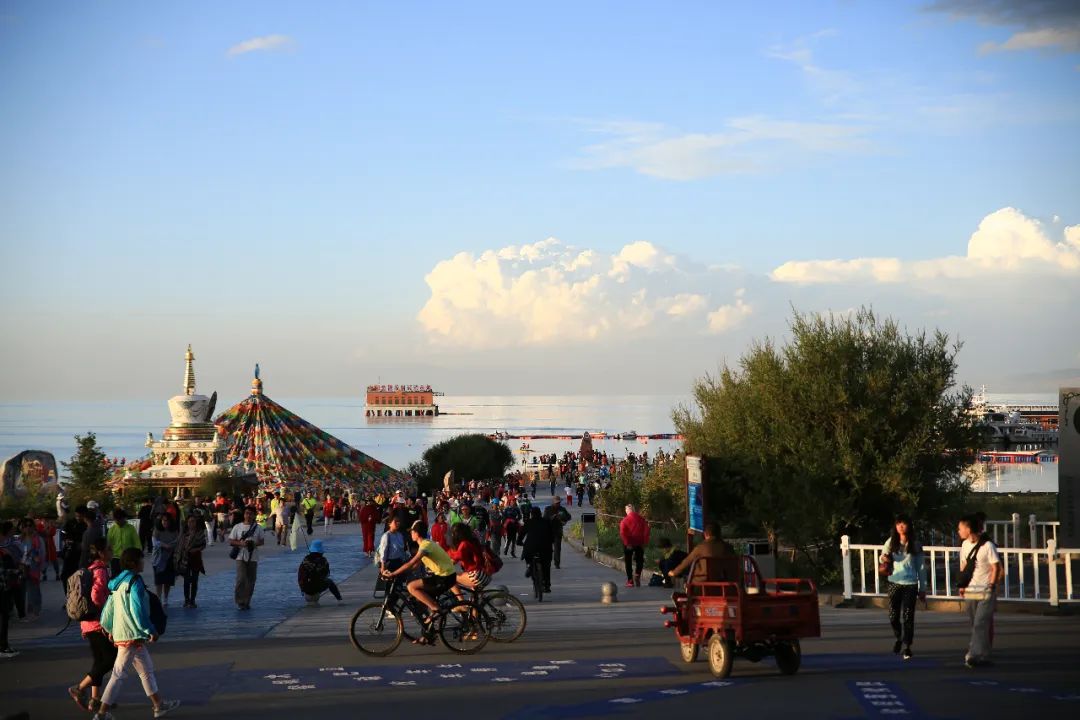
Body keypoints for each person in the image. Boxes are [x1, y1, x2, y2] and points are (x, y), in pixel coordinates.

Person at [96, 547, 180, 720]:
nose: (144, 562)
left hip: (123, 634)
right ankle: (102, 713)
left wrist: (110, 629)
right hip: (132, 635)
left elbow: (106, 613)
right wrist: (150, 630)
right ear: (134, 563)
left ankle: (158, 705)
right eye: (142, 560)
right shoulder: (135, 582)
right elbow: (138, 611)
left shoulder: (117, 583)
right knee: (118, 674)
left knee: (146, 670)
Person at [382, 521, 457, 644]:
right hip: (444, 576)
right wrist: (398, 573)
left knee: (411, 587)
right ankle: (428, 636)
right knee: (426, 603)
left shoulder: (425, 545)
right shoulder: (425, 544)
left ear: (416, 533)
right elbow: (414, 566)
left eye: (412, 531)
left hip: (444, 577)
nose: (411, 534)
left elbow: (411, 563)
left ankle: (435, 608)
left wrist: (393, 574)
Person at [67, 537, 116, 713]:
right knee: (111, 659)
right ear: (102, 553)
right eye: (109, 549)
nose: (112, 551)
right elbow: (96, 596)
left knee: (99, 661)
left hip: (87, 623)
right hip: (97, 623)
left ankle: (95, 699)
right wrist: (107, 611)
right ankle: (79, 688)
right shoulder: (101, 570)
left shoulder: (90, 568)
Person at [878, 513, 928, 660]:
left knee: (908, 616)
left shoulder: (916, 544)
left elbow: (921, 568)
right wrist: (884, 558)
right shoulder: (891, 542)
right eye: (898, 523)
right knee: (893, 616)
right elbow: (882, 556)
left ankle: (907, 646)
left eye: (904, 523)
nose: (901, 526)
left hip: (910, 584)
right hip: (894, 582)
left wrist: (923, 589)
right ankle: (899, 637)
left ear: (909, 526)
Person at [958, 514, 1001, 669]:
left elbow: (996, 567)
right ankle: (984, 654)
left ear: (968, 529)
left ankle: (972, 655)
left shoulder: (988, 546)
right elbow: (963, 565)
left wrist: (991, 585)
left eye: (960, 528)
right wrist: (962, 585)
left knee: (980, 623)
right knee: (975, 624)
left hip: (985, 590)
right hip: (970, 590)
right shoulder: (964, 545)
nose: (959, 531)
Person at [669, 522, 735, 585]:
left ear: (705, 534)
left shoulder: (701, 547)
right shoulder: (728, 547)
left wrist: (674, 572)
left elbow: (686, 562)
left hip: (703, 584)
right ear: (720, 534)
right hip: (727, 582)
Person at [229, 506, 265, 611]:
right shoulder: (237, 527)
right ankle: (240, 601)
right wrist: (241, 543)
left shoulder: (258, 528)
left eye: (250, 513)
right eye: (246, 513)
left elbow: (261, 541)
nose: (248, 516)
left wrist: (253, 544)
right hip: (240, 556)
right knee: (241, 579)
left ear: (254, 515)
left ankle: (247, 601)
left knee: (251, 580)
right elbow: (231, 540)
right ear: (244, 514)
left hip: (253, 557)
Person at [447, 522, 490, 595]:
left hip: (477, 575)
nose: (452, 535)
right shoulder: (472, 540)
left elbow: (455, 558)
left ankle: (461, 603)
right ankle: (475, 604)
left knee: (450, 578)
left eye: (453, 533)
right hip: (484, 574)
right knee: (474, 600)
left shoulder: (464, 544)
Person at [0, 521, 23, 658]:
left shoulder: (6, 546)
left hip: (5, 584)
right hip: (3, 586)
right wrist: (16, 572)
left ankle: (4, 645)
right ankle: (3, 646)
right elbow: (4, 571)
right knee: (4, 615)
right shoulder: (4, 548)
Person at [519, 506, 553, 593]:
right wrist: (551, 541)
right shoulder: (546, 522)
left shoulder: (528, 522)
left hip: (531, 547)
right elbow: (552, 534)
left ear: (531, 514)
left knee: (527, 555)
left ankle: (530, 567)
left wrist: (518, 541)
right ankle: (547, 585)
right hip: (545, 548)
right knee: (546, 566)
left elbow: (522, 534)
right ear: (540, 513)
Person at [175, 515, 206, 609]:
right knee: (186, 580)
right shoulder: (184, 534)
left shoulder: (200, 533)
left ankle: (193, 600)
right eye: (189, 522)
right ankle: (186, 600)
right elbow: (179, 545)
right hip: (185, 559)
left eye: (193, 521)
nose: (191, 523)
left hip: (195, 559)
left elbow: (203, 545)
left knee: (195, 581)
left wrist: (195, 549)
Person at [298, 539, 342, 603]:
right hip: (316, 589)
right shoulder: (323, 561)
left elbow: (301, 576)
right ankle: (339, 599)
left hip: (305, 589)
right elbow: (327, 574)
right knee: (330, 582)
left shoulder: (305, 560)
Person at [18, 518, 45, 621]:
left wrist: (41, 567)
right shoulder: (20, 539)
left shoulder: (37, 539)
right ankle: (27, 611)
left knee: (34, 589)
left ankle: (36, 610)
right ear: (22, 528)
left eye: (30, 525)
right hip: (23, 567)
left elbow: (42, 553)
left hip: (34, 567)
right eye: (26, 526)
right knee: (24, 590)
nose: (28, 528)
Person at [619, 504, 651, 588]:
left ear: (627, 511)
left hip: (629, 543)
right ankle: (637, 574)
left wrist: (627, 543)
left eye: (626, 510)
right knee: (640, 560)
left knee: (628, 561)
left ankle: (630, 581)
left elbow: (623, 533)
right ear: (634, 510)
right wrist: (645, 541)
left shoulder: (624, 520)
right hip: (640, 543)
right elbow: (646, 530)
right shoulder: (641, 519)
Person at [151, 514, 178, 608]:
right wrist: (163, 545)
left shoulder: (174, 531)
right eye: (163, 520)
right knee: (159, 581)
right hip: (158, 559)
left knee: (168, 580)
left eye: (167, 520)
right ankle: (158, 598)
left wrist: (170, 546)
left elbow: (177, 541)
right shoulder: (157, 530)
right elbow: (154, 542)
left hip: (170, 557)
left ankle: (165, 598)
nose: (165, 522)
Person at [107, 509, 140, 578]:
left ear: (124, 518)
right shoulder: (112, 529)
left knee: (128, 579)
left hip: (128, 559)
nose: (118, 522)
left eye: (120, 519)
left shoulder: (131, 528)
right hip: (115, 559)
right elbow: (108, 545)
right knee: (116, 580)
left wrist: (137, 557)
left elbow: (137, 544)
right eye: (116, 520)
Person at [543, 496, 572, 569]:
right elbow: (544, 519)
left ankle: (557, 563)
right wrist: (552, 517)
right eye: (556, 503)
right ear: (553, 502)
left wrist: (563, 519)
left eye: (559, 503)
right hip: (548, 531)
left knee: (557, 548)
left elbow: (569, 517)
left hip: (558, 531)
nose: (558, 504)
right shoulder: (548, 509)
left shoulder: (562, 509)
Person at [79, 502, 106, 570]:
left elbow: (90, 547)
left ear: (85, 519)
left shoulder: (89, 531)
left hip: (89, 560)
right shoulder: (99, 526)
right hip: (96, 558)